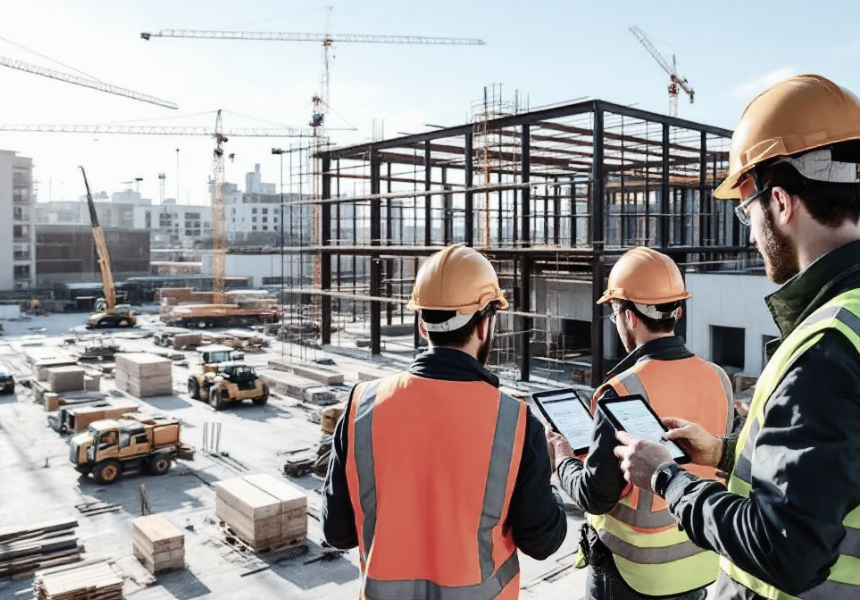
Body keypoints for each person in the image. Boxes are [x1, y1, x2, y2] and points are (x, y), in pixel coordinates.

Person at [614, 73, 860, 600]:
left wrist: (668, 480)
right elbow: (834, 471)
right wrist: (725, 453)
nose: (749, 233)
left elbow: (786, 548)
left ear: (781, 203)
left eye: (746, 210)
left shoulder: (826, 344)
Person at [321, 243, 567, 600]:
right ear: (485, 326)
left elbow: (337, 532)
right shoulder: (514, 422)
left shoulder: (361, 406)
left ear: (423, 326)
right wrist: (551, 482)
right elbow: (543, 541)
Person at [547, 246, 735, 600]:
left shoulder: (621, 389)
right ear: (676, 311)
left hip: (632, 575)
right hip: (699, 562)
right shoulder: (719, 378)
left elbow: (595, 495)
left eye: (615, 313)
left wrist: (563, 459)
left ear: (629, 317)